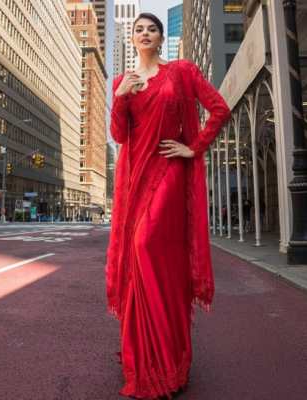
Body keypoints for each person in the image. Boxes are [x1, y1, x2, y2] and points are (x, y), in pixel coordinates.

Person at [105, 13, 230, 399]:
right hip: (135, 179)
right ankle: (148, 354)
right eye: (139, 29)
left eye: (152, 29)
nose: (144, 33)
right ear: (133, 38)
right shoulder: (120, 82)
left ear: (161, 38)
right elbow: (119, 135)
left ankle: (166, 357)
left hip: (170, 172)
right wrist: (122, 96)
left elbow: (219, 108)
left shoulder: (182, 71)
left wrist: (194, 147)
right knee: (145, 259)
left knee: (143, 247)